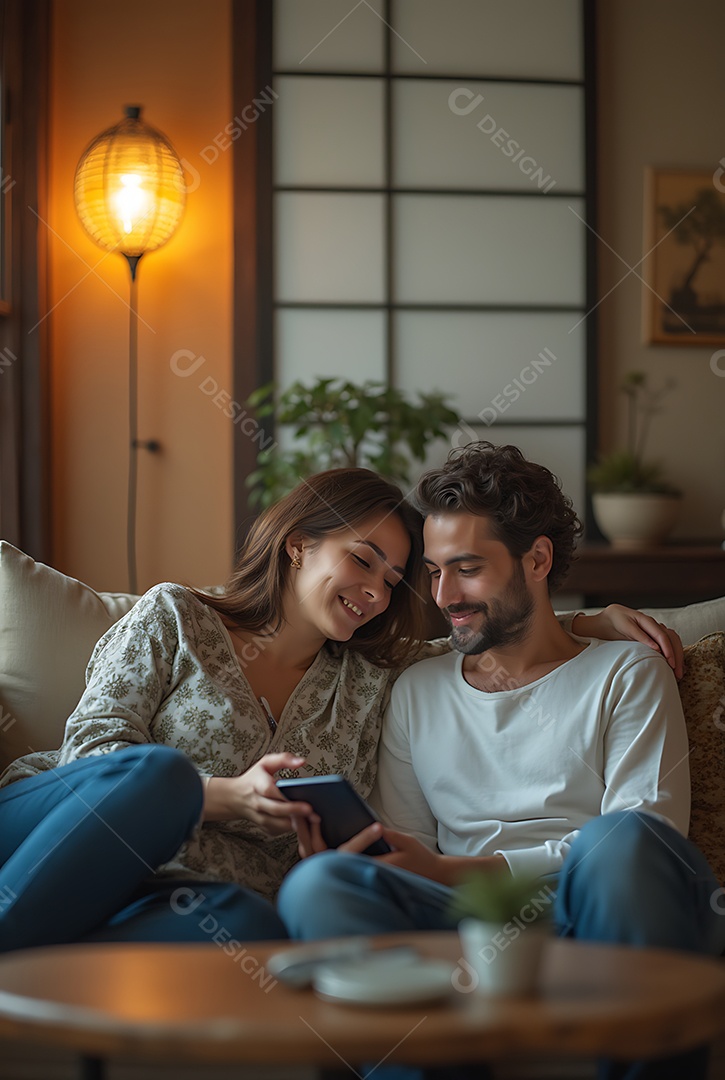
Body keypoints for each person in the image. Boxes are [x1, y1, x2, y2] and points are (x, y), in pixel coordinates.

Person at [0, 467, 685, 952]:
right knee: (159, 778)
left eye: (392, 579)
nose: (378, 593)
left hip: (182, 893)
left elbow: (493, 640)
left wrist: (590, 620)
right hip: (61, 832)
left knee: (255, 932)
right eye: (362, 561)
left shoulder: (372, 677)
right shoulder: (175, 616)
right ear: (299, 543)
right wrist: (230, 798)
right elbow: (93, 756)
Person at [277, 445, 722, 1080]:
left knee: (621, 841)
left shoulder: (627, 671)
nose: (444, 596)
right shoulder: (417, 688)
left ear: (536, 560)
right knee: (320, 885)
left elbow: (649, 833)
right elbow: (411, 848)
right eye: (432, 572)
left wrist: (460, 869)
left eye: (466, 569)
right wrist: (417, 867)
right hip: (462, 922)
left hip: (595, 912)